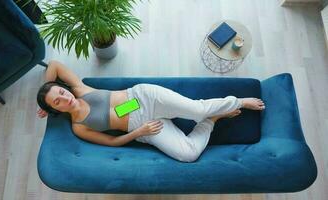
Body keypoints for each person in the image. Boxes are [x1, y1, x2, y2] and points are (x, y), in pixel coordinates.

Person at [37, 60, 265, 162]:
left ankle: (238, 102)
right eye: (56, 102)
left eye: (60, 92)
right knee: (188, 155)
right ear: (55, 109)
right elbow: (111, 142)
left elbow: (54, 64)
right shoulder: (79, 126)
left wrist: (43, 99)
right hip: (142, 128)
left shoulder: (79, 89)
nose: (63, 98)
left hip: (141, 100)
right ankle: (213, 118)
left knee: (196, 109)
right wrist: (139, 132)